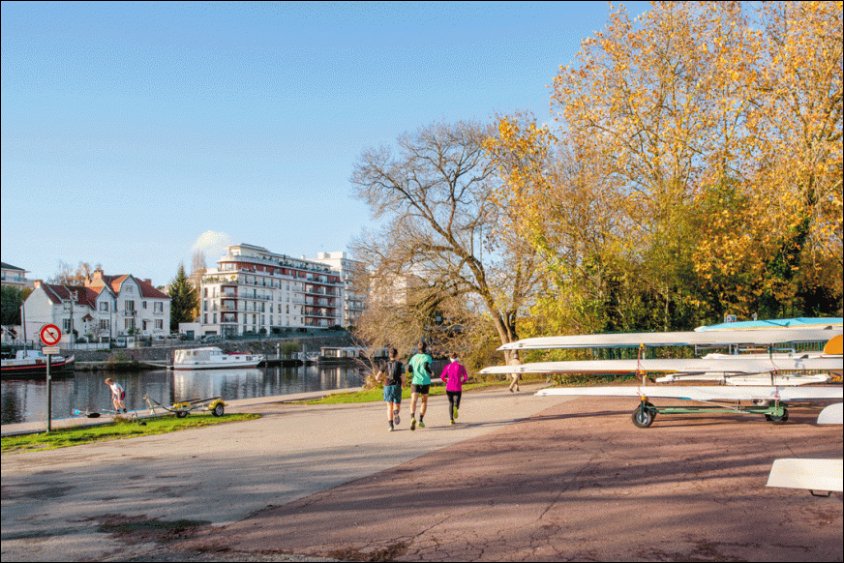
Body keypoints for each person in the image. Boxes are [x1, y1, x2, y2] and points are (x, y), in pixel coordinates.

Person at [375, 348, 403, 432]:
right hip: (397, 386)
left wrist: (379, 380)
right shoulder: (400, 364)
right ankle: (396, 412)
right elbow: (403, 377)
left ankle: (391, 426)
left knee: (389, 406)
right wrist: (404, 384)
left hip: (387, 386)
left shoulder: (385, 365)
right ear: (397, 355)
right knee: (396, 405)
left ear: (389, 355)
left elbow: (377, 377)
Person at [407, 341, 433, 430]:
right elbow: (426, 365)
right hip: (425, 381)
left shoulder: (413, 358)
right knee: (424, 401)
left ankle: (412, 417)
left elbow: (409, 369)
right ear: (425, 348)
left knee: (413, 400)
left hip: (415, 381)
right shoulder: (427, 357)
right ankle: (420, 420)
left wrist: (415, 369)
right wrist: (431, 372)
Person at [441, 353, 468, 425]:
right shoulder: (461, 367)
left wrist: (446, 381)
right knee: (456, 403)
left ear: (451, 359)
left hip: (449, 387)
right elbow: (466, 378)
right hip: (457, 387)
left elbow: (442, 377)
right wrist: (462, 382)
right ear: (457, 359)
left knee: (450, 403)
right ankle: (456, 407)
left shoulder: (448, 366)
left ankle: (451, 419)